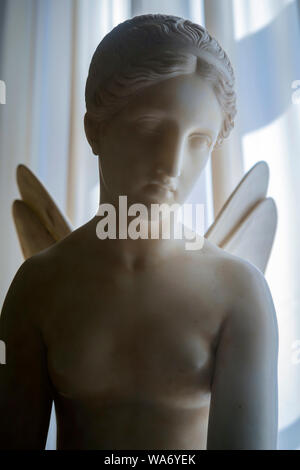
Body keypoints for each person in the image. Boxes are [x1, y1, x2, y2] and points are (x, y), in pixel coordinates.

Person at [0, 14, 278, 450]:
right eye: (150, 128)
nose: (171, 165)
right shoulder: (38, 288)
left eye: (199, 140)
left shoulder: (240, 293)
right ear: (96, 131)